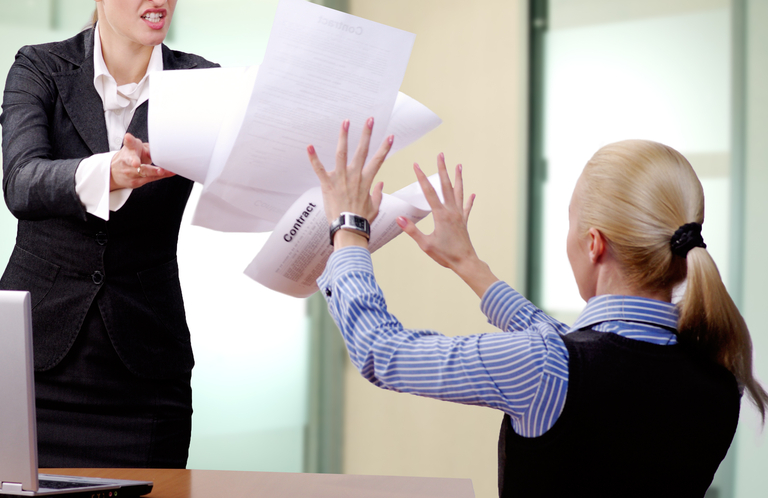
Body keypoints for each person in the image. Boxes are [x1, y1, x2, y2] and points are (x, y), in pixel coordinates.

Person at [307, 120, 767, 497]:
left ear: (594, 244)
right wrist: (471, 266)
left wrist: (349, 229)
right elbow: (582, 355)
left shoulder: (551, 368)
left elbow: (382, 353)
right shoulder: (718, 379)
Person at [0, 0, 217, 469]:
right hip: (32, 360)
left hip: (145, 368)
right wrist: (107, 171)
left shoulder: (203, 84)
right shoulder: (40, 68)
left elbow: (250, 183)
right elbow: (21, 183)